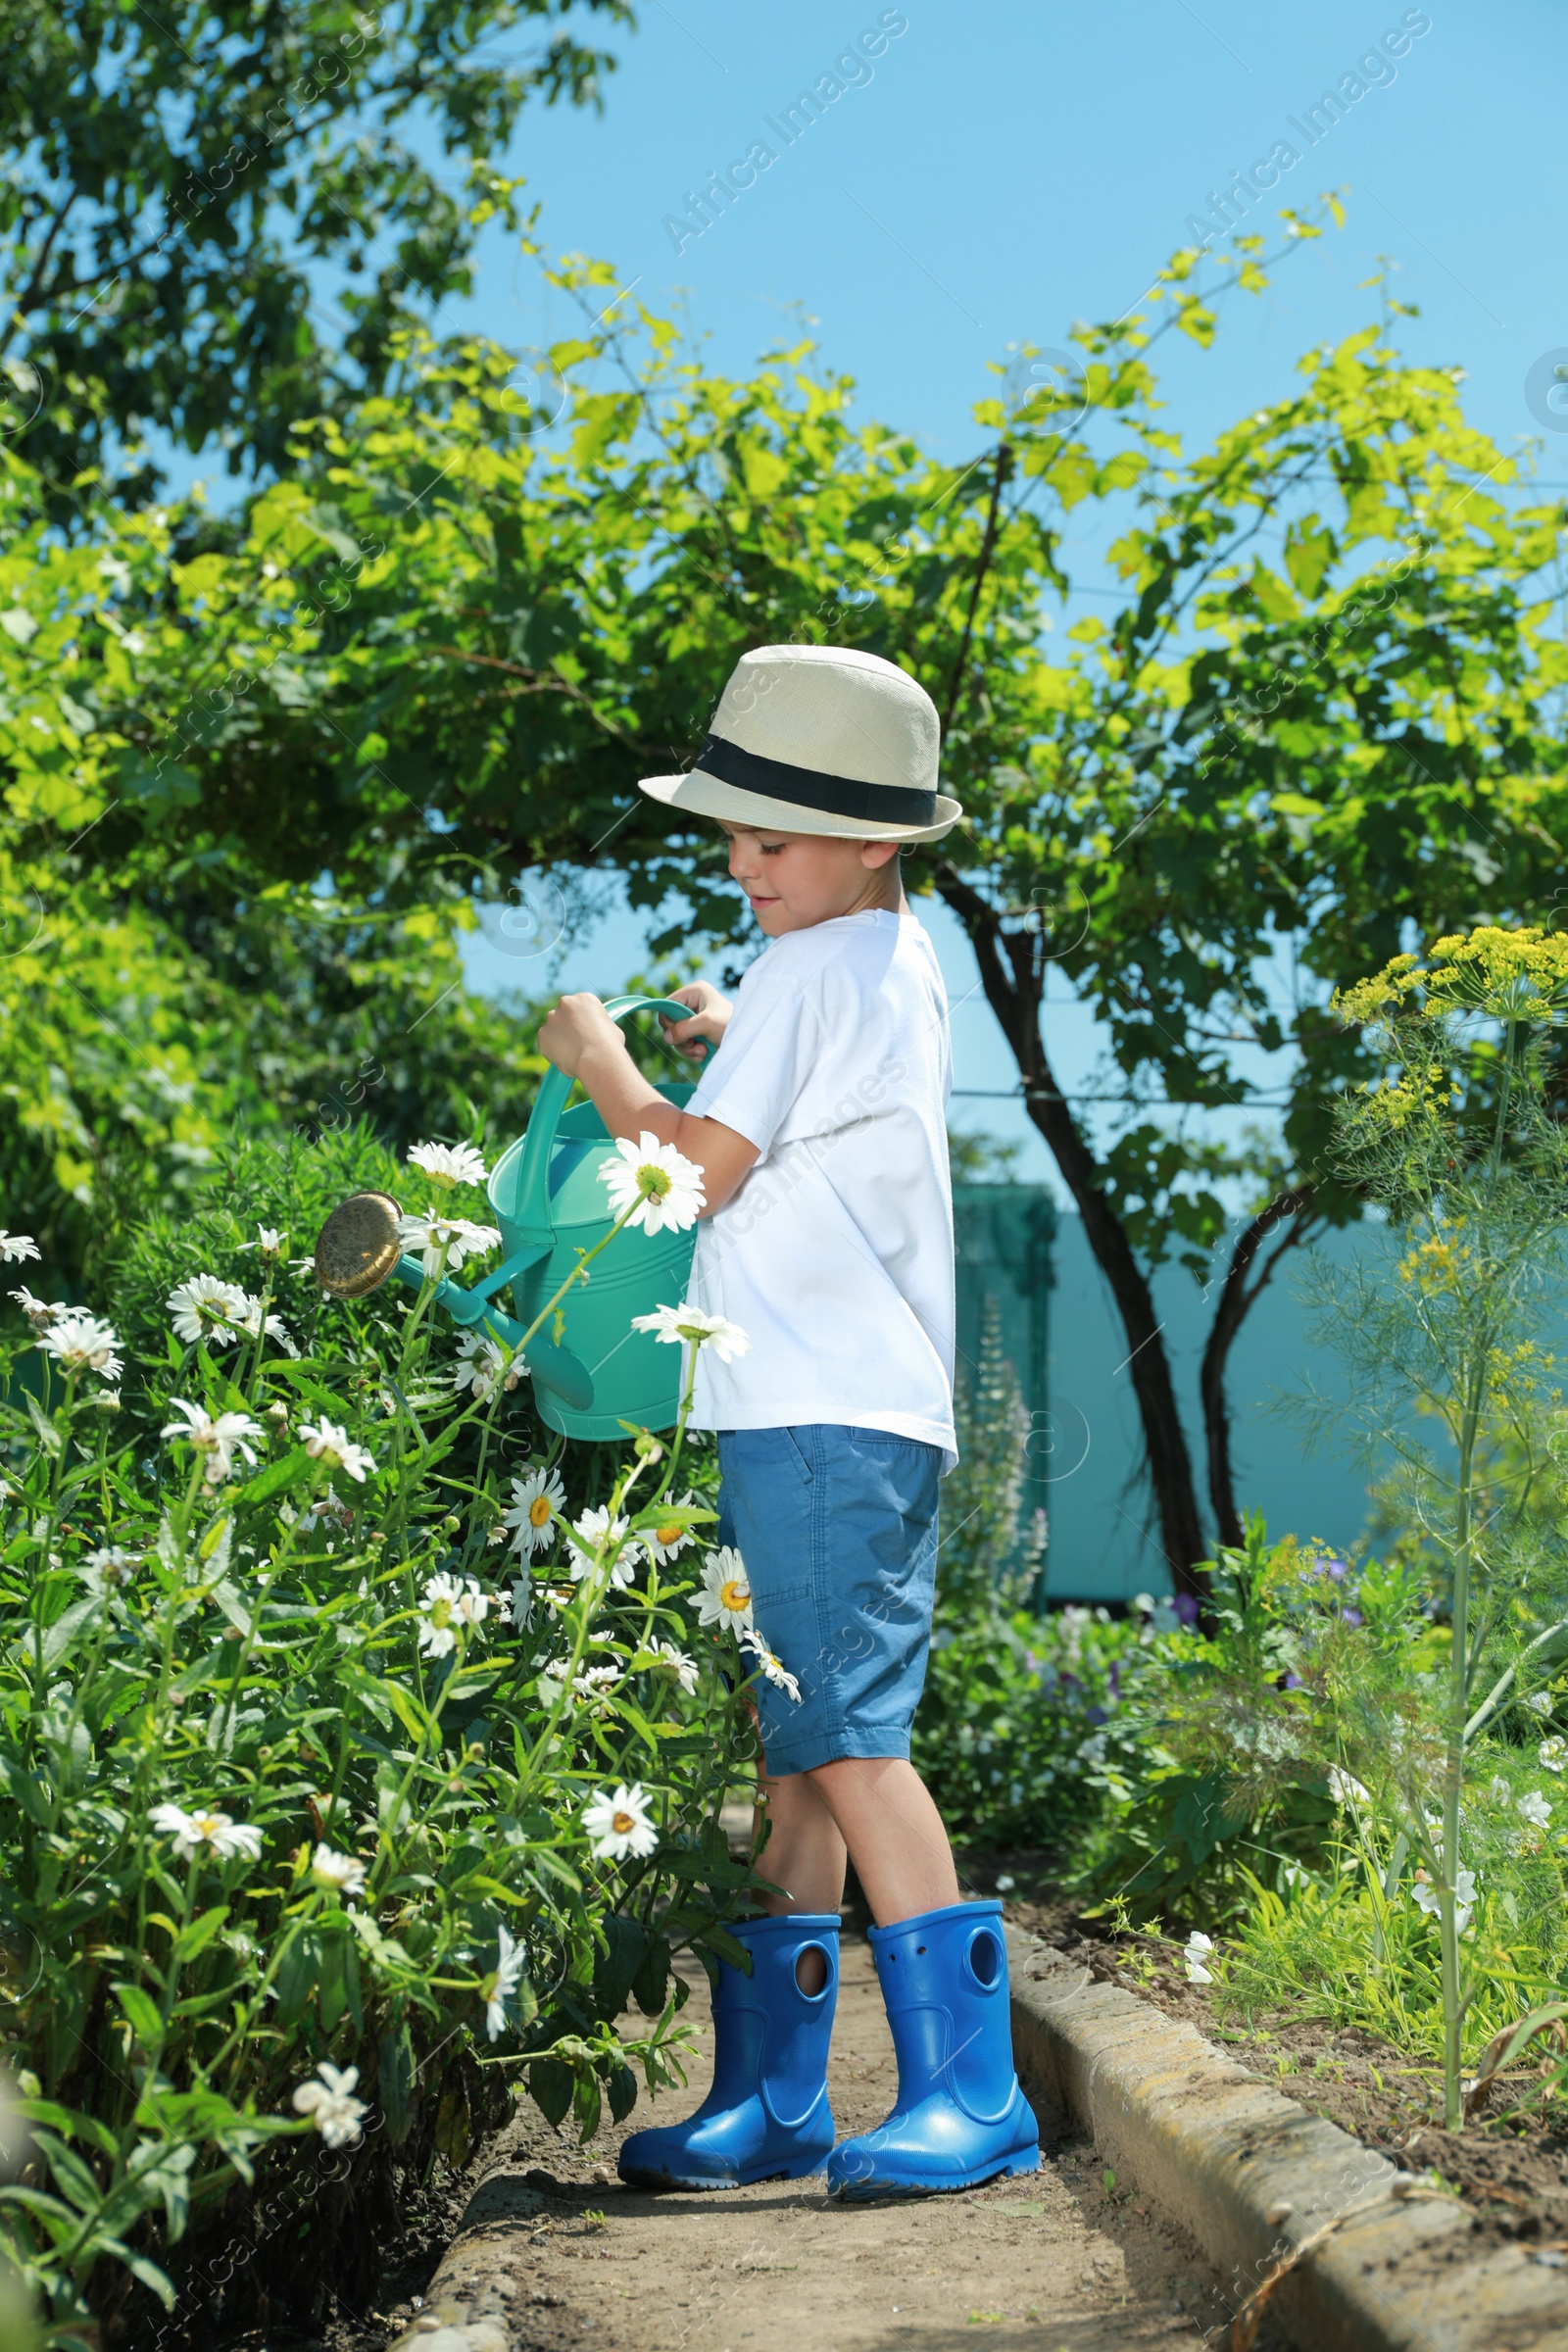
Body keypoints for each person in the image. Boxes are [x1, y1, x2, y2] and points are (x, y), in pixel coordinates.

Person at [537, 642, 1037, 2199]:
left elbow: (693, 1174)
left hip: (822, 1409)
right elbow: (791, 1098)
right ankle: (775, 2103)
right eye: (734, 834)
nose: (742, 865)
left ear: (874, 839)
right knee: (795, 1758)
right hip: (822, 1408)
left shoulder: (818, 970)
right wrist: (716, 1026)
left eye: (774, 838)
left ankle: (979, 2093)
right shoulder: (885, 957)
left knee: (853, 1747)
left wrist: (607, 1065)